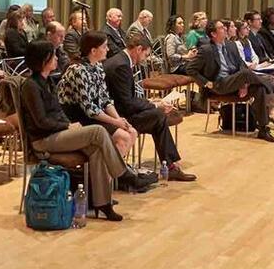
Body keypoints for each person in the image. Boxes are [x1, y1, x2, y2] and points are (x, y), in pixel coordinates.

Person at [20, 41, 132, 221]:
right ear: (43, 60)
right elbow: (40, 122)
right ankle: (123, 173)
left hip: (56, 133)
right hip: (43, 140)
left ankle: (103, 203)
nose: (57, 58)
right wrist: (67, 126)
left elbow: (58, 112)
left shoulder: (48, 81)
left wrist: (68, 124)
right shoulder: (31, 86)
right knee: (97, 131)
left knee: (96, 150)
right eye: (53, 56)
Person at [104, 34, 198, 180]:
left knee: (158, 118)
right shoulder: (121, 65)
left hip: (121, 109)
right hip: (117, 116)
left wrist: (152, 103)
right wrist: (155, 104)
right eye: (146, 55)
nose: (146, 59)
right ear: (138, 49)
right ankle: (171, 166)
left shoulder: (122, 61)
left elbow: (128, 98)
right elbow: (126, 103)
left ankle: (171, 165)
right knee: (159, 115)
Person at [187, 19, 274, 143]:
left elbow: (241, 65)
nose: (225, 29)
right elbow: (190, 69)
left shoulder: (230, 45)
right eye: (221, 28)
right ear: (213, 34)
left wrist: (243, 84)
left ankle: (263, 129)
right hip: (218, 85)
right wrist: (206, 83)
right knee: (246, 74)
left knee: (259, 88)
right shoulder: (206, 50)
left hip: (233, 82)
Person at [57, 31, 138, 161]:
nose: (108, 49)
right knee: (124, 137)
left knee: (131, 132)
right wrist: (115, 122)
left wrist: (119, 120)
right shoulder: (78, 70)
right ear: (93, 51)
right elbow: (89, 109)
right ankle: (108, 176)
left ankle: (116, 174)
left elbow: (105, 99)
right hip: (77, 117)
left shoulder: (98, 67)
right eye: (104, 46)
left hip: (92, 114)